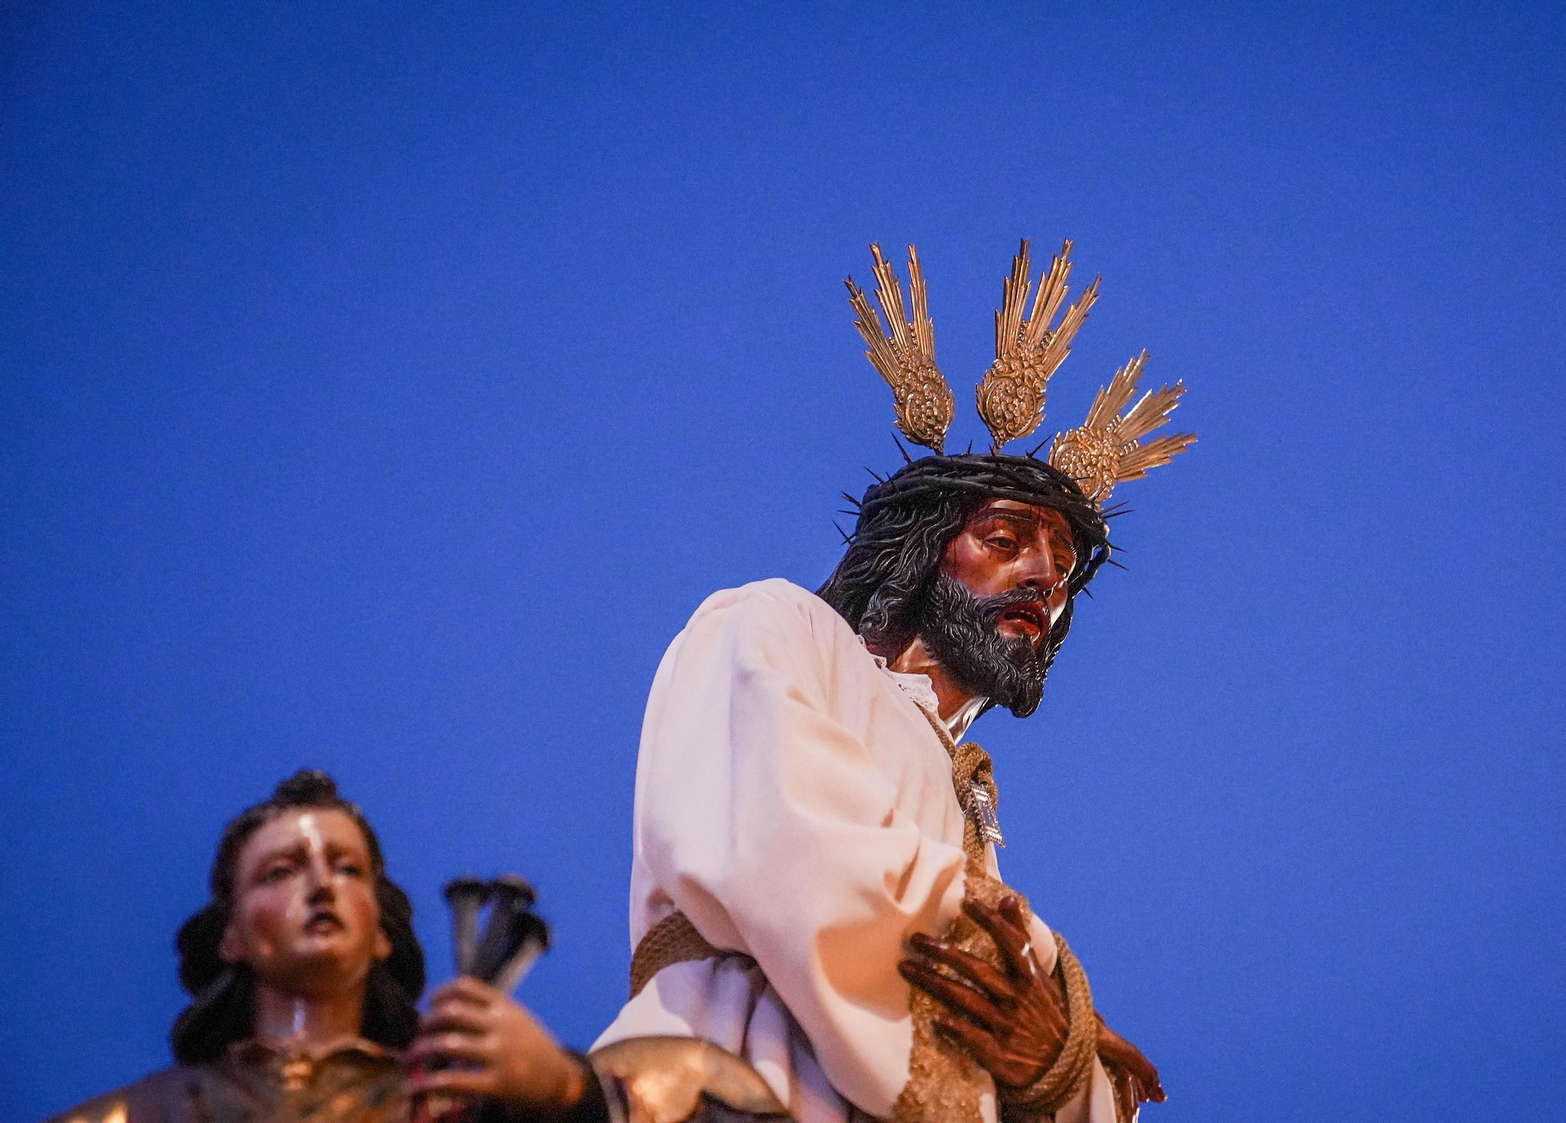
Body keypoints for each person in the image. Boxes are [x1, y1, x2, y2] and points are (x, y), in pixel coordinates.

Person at [595, 242, 1191, 1123]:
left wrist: (1058, 1066)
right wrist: (1050, 983)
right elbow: (788, 845)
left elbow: (1018, 1047)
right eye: (1004, 539)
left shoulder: (967, 793)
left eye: (1062, 567)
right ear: (921, 551)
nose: (1045, 580)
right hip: (731, 1072)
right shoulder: (772, 624)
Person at [43, 770, 786, 1123]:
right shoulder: (145, 1113)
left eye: (346, 868)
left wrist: (567, 1089)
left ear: (381, 928)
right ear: (231, 935)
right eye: (280, 871)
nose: (321, 885)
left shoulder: (455, 1102)